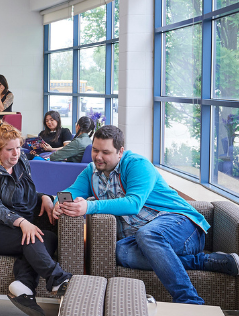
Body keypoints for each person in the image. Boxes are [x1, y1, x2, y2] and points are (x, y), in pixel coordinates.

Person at [54, 125, 239, 304]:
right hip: (139, 242)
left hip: (182, 226)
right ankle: (205, 262)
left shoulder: (137, 165)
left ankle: (189, 301)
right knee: (118, 251)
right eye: (95, 150)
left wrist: (89, 207)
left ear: (120, 151)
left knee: (148, 234)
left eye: (106, 152)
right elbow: (71, 191)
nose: (98, 157)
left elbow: (133, 203)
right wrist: (58, 203)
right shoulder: (91, 171)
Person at [0, 120, 72, 316]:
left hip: (1, 224)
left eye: (19, 147)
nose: (16, 153)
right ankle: (59, 280)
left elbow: (19, 193)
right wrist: (22, 222)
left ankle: (23, 285)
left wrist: (43, 196)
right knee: (33, 237)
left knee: (50, 237)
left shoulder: (20, 163)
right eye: (10, 149)